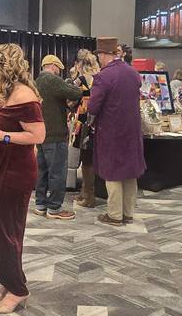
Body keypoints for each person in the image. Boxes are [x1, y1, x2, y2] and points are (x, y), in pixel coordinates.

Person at [0, 43, 45, 313]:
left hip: (16, 171)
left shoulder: (24, 94)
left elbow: (37, 136)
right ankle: (9, 280)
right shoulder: (3, 92)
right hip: (0, 166)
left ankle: (18, 290)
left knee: (6, 231)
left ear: (1, 65)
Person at [89, 37, 146, 226]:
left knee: (112, 172)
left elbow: (93, 106)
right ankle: (128, 213)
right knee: (130, 172)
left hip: (111, 131)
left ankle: (114, 214)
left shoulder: (103, 76)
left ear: (104, 55)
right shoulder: (133, 73)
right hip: (132, 131)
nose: (98, 60)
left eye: (99, 56)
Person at [33, 54, 82, 220]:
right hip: (55, 134)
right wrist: (72, 83)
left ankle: (40, 205)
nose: (59, 72)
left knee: (42, 171)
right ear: (53, 66)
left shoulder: (36, 81)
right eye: (58, 69)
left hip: (40, 134)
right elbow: (75, 93)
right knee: (57, 172)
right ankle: (54, 208)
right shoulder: (53, 80)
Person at [71, 49, 101, 208]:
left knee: (86, 160)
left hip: (84, 122)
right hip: (98, 122)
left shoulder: (81, 79)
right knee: (89, 159)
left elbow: (70, 97)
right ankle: (85, 192)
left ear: (80, 64)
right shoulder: (100, 77)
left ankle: (89, 196)